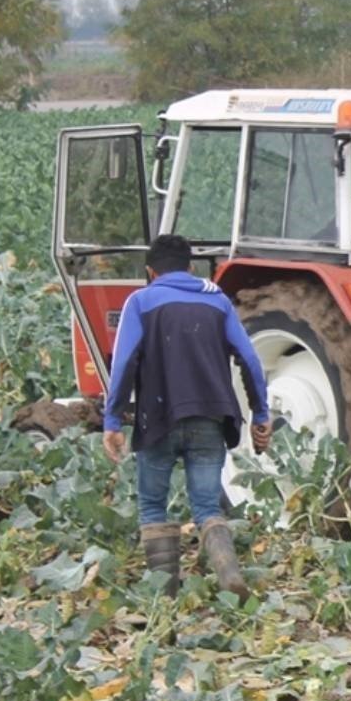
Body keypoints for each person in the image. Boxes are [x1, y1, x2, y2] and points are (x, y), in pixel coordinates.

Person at [102, 234, 272, 598]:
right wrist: (261, 413)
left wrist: (112, 421)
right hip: (211, 418)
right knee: (207, 506)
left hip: (159, 419)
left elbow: (123, 364)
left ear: (151, 271)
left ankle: (166, 601)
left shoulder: (141, 302)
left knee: (152, 506)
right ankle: (228, 571)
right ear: (191, 269)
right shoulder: (218, 301)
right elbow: (251, 360)